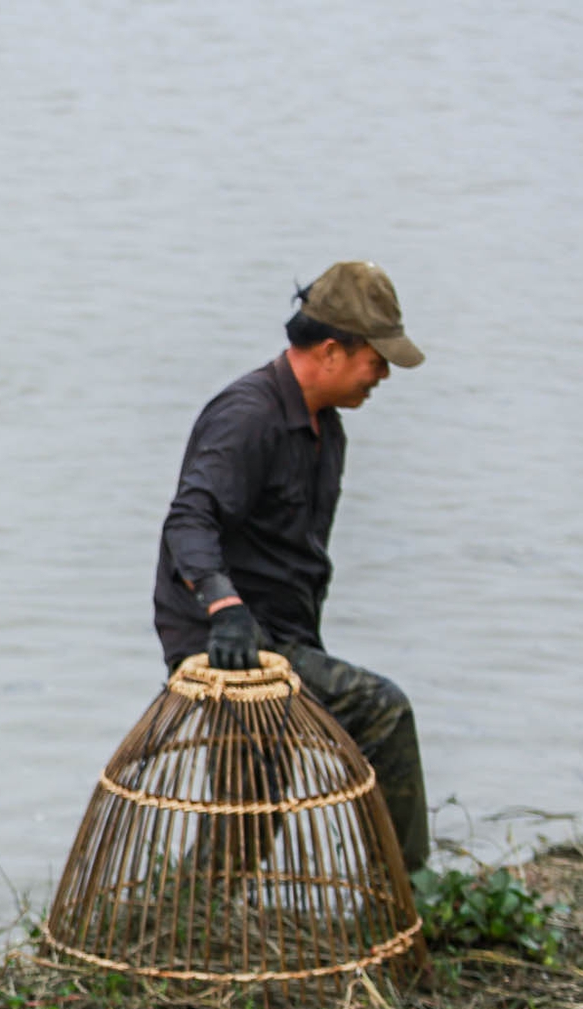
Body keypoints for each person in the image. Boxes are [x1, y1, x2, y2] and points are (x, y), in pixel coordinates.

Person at [152, 261, 431, 872]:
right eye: (376, 359)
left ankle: (189, 913)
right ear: (331, 350)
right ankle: (412, 897)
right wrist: (225, 610)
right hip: (226, 640)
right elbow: (188, 522)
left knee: (252, 802)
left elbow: (293, 561)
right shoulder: (247, 414)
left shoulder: (325, 430)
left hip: (283, 639)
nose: (382, 374)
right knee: (384, 710)